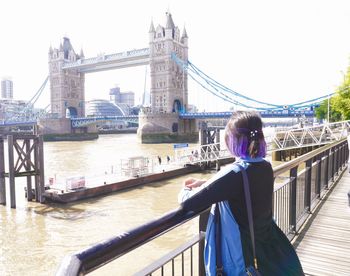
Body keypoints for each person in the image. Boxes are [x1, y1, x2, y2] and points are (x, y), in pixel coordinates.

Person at [178, 111, 304, 275]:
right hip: (265, 248)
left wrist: (185, 189)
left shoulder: (234, 173)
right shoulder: (266, 166)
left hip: (242, 258)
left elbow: (188, 203)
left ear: (233, 141)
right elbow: (241, 189)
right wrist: (206, 183)